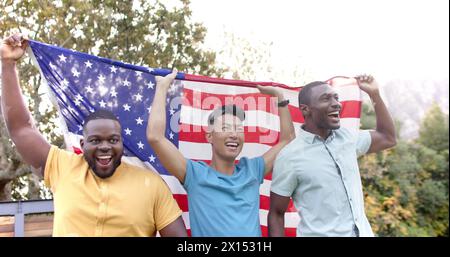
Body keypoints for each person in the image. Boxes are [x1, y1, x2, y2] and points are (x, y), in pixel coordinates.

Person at [1, 33, 187, 237]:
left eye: (113, 140)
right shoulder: (62, 167)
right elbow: (21, 129)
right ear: (83, 143)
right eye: (96, 140)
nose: (105, 146)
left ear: (122, 144)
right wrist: (8, 63)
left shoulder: (152, 185)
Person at [146, 69, 296, 236]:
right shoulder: (195, 174)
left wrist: (280, 98)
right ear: (210, 136)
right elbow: (155, 137)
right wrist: (162, 87)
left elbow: (287, 140)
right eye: (225, 128)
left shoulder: (253, 170)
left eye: (239, 129)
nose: (234, 134)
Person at [268, 76, 397, 237]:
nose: (336, 103)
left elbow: (388, 138)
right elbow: (276, 214)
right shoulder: (289, 157)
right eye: (326, 99)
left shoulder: (348, 139)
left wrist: (374, 94)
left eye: (336, 98)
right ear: (305, 109)